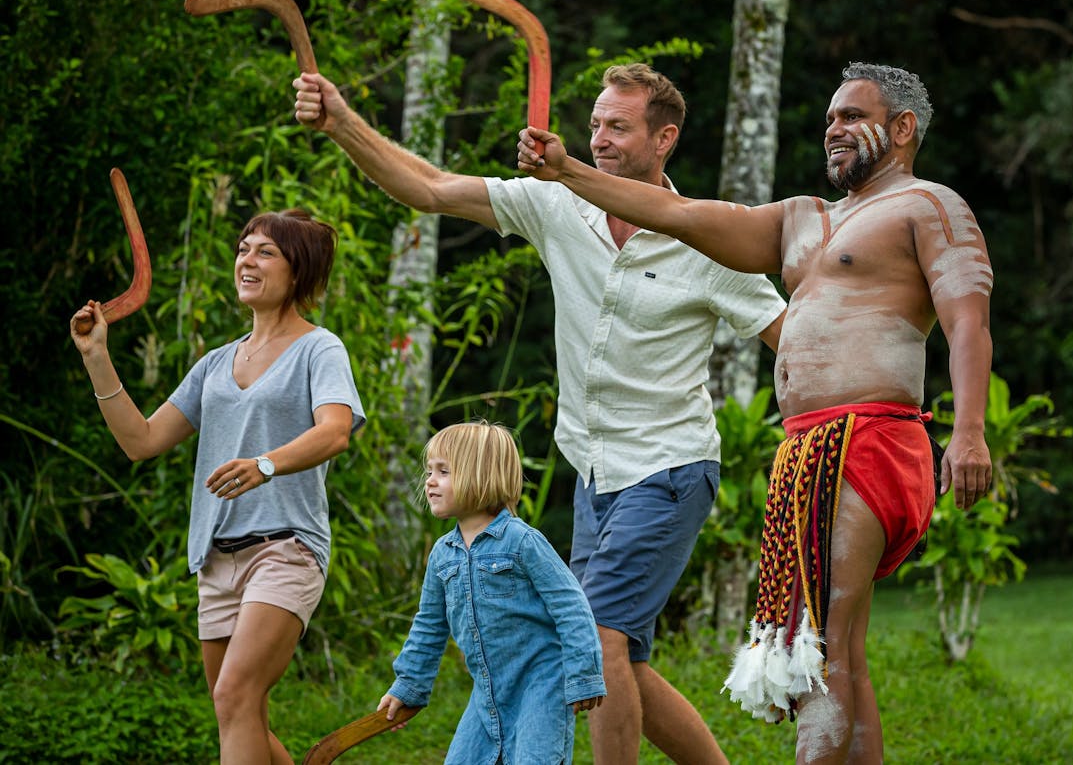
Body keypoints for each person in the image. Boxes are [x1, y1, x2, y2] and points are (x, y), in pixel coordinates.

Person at [294, 62, 786, 764]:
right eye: (594, 126)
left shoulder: (705, 239)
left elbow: (788, 338)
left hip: (670, 466)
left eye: (618, 126)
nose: (600, 139)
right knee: (624, 659)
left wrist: (837, 430)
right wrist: (341, 120)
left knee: (598, 636)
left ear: (664, 137)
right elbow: (429, 188)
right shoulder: (558, 207)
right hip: (593, 472)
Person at [516, 62, 994, 764]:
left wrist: (971, 433)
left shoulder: (928, 206)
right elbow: (680, 215)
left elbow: (968, 321)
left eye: (851, 116)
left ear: (901, 129)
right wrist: (569, 174)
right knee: (842, 650)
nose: (832, 128)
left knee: (819, 645)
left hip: (868, 439)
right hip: (810, 449)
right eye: (829, 116)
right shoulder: (807, 219)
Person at [70, 208, 366, 765]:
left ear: (297, 271)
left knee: (235, 696)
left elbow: (335, 430)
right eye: (242, 248)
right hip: (216, 560)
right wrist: (97, 358)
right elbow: (142, 440)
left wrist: (266, 465)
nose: (246, 260)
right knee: (239, 712)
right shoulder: (214, 364)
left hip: (285, 549)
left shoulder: (319, 348)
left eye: (264, 252)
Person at [379, 420, 606, 763]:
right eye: (429, 471)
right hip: (487, 692)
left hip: (540, 685)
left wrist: (583, 674)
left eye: (444, 471)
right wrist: (408, 686)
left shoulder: (522, 542)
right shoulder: (443, 554)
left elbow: (571, 606)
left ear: (480, 475)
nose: (430, 481)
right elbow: (429, 625)